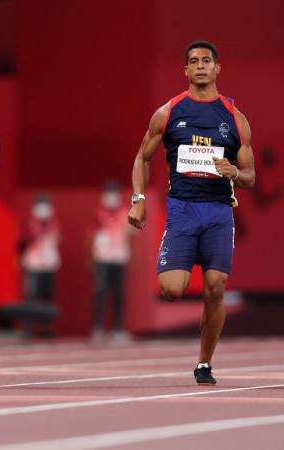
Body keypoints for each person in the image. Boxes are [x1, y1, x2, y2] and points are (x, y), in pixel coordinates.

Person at [128, 41, 255, 386]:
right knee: (171, 289)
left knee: (215, 288)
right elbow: (143, 157)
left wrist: (234, 173)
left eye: (207, 61)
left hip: (217, 212)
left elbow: (251, 177)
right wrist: (138, 198)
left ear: (217, 69)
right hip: (182, 210)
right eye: (193, 62)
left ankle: (204, 362)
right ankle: (180, 259)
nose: (200, 66)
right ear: (185, 70)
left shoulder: (235, 118)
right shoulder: (168, 112)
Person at [91, 180, 133, 342]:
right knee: (100, 293)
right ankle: (98, 328)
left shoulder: (125, 212)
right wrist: (90, 259)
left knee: (119, 294)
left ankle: (117, 328)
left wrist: (132, 257)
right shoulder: (98, 213)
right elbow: (90, 236)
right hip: (102, 258)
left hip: (119, 258)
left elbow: (130, 235)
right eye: (108, 192)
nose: (111, 196)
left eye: (113, 192)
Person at [19, 193, 61, 338]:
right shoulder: (30, 222)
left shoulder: (54, 222)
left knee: (47, 298)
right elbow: (22, 242)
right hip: (34, 265)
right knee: (31, 296)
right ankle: (28, 328)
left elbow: (56, 240)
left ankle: (46, 328)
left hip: (49, 265)